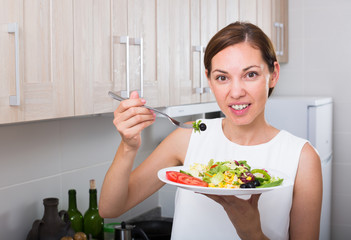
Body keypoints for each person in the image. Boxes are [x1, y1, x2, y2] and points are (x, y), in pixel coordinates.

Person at [99, 21, 322, 240]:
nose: (236, 92)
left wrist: (252, 234)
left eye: (250, 74)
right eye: (222, 77)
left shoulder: (302, 157)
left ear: (273, 75)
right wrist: (128, 147)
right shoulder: (189, 137)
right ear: (209, 80)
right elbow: (110, 208)